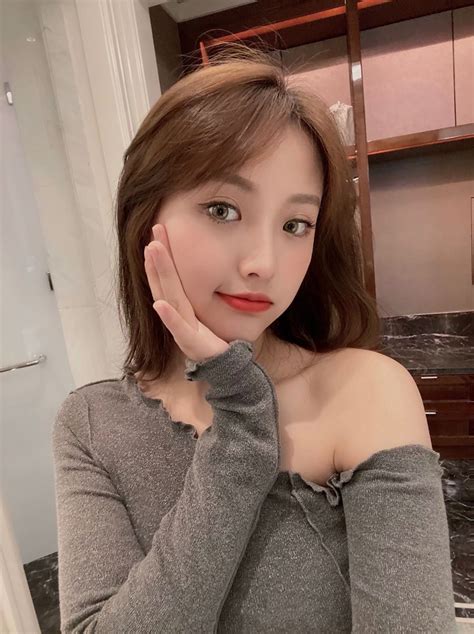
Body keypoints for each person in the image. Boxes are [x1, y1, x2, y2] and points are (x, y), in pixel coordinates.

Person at [52, 44, 457, 632]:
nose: (264, 262)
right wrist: (241, 427)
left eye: (295, 224)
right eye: (222, 209)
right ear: (144, 216)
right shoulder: (91, 423)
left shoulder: (364, 390)